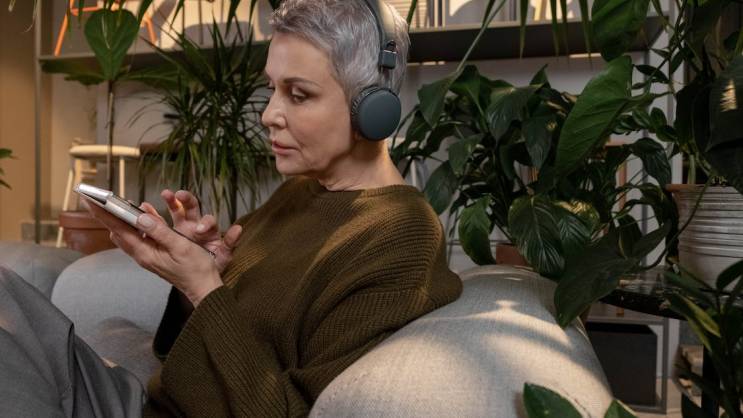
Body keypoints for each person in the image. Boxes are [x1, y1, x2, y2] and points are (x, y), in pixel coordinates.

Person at [0, 0, 462, 417]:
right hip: (139, 400)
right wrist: (199, 277)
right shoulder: (301, 193)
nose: (269, 114)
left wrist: (203, 286)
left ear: (373, 109)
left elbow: (288, 411)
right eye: (272, 89)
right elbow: (186, 350)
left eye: (298, 94)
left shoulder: (399, 237)